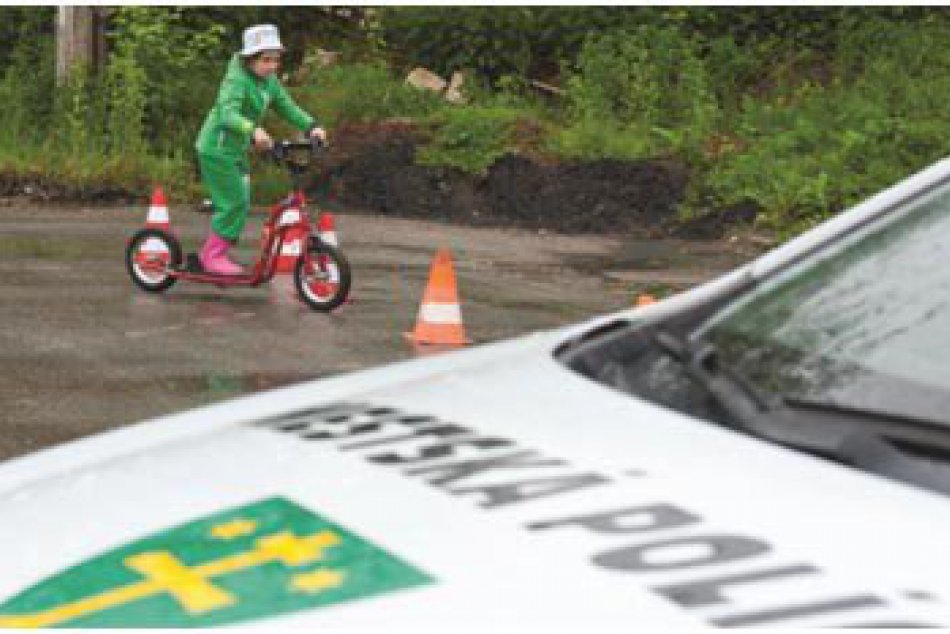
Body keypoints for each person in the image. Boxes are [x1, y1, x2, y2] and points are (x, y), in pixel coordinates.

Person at [194, 24, 326, 275]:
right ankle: (211, 256)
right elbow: (227, 114)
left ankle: (218, 219)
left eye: (276, 60)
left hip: (237, 149)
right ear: (249, 59)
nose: (272, 66)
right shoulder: (236, 81)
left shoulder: (269, 81)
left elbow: (287, 106)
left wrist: (311, 126)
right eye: (266, 60)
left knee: (239, 201)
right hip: (217, 148)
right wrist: (252, 130)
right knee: (234, 204)